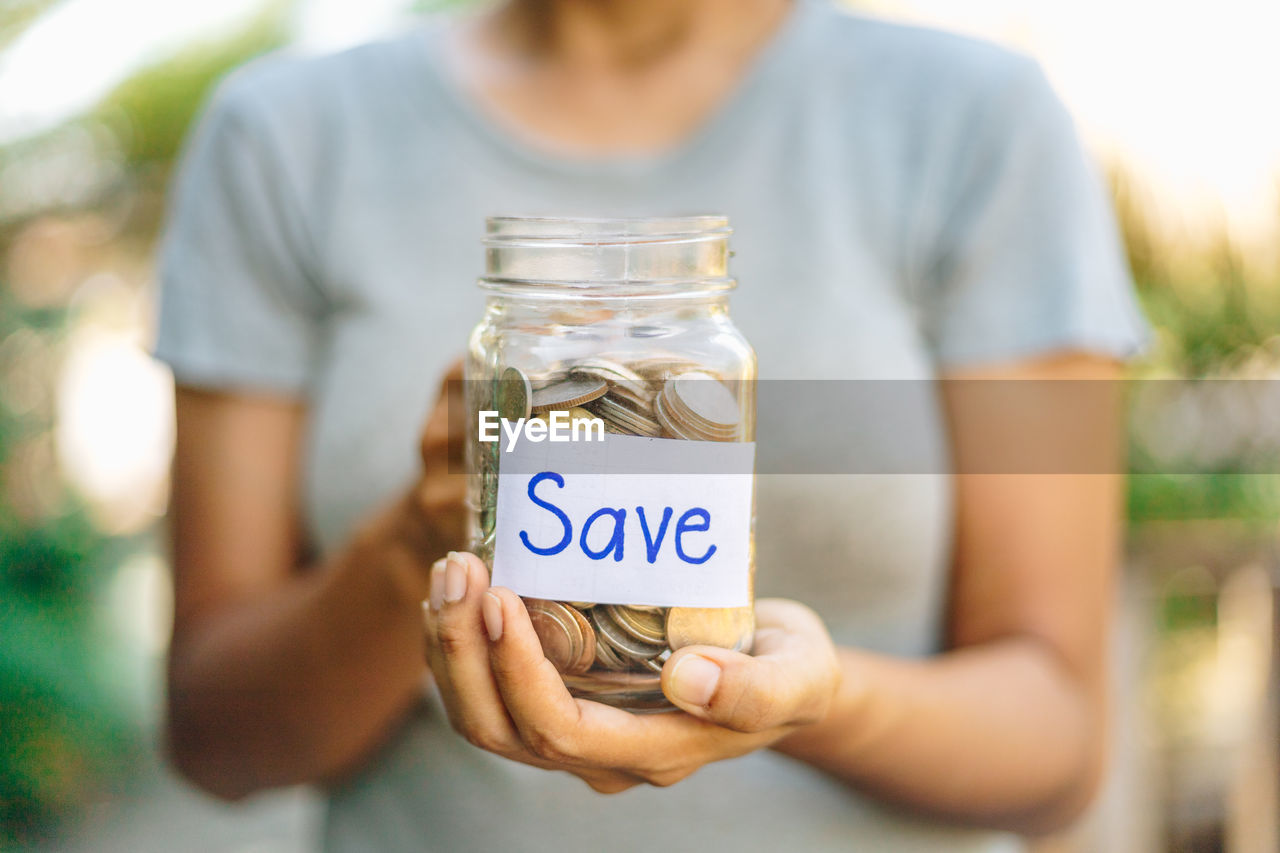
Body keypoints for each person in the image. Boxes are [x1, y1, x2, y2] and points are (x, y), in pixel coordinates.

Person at [154, 0, 1149, 850]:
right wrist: (417, 539)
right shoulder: (281, 137)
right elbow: (212, 735)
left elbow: (1056, 741)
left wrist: (802, 697)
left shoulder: (977, 122)